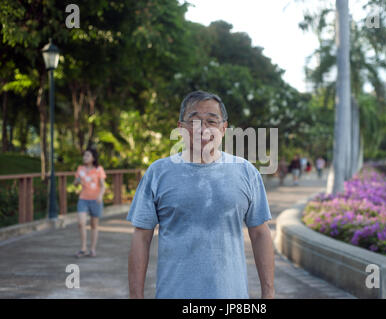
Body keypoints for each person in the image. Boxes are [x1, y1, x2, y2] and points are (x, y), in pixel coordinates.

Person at [127, 90, 274, 299]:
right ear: (180, 128)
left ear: (224, 128)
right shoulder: (158, 173)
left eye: (211, 121)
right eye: (194, 121)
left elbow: (260, 233)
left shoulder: (246, 172)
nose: (203, 129)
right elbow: (141, 237)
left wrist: (268, 293)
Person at [74, 148, 106, 258]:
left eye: (87, 156)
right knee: (81, 223)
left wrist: (100, 195)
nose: (85, 157)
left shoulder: (99, 169)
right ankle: (83, 248)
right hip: (83, 199)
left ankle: (92, 249)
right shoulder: (80, 169)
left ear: (93, 158)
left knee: (94, 225)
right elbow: (75, 183)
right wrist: (77, 182)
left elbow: (102, 185)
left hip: (95, 200)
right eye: (84, 156)